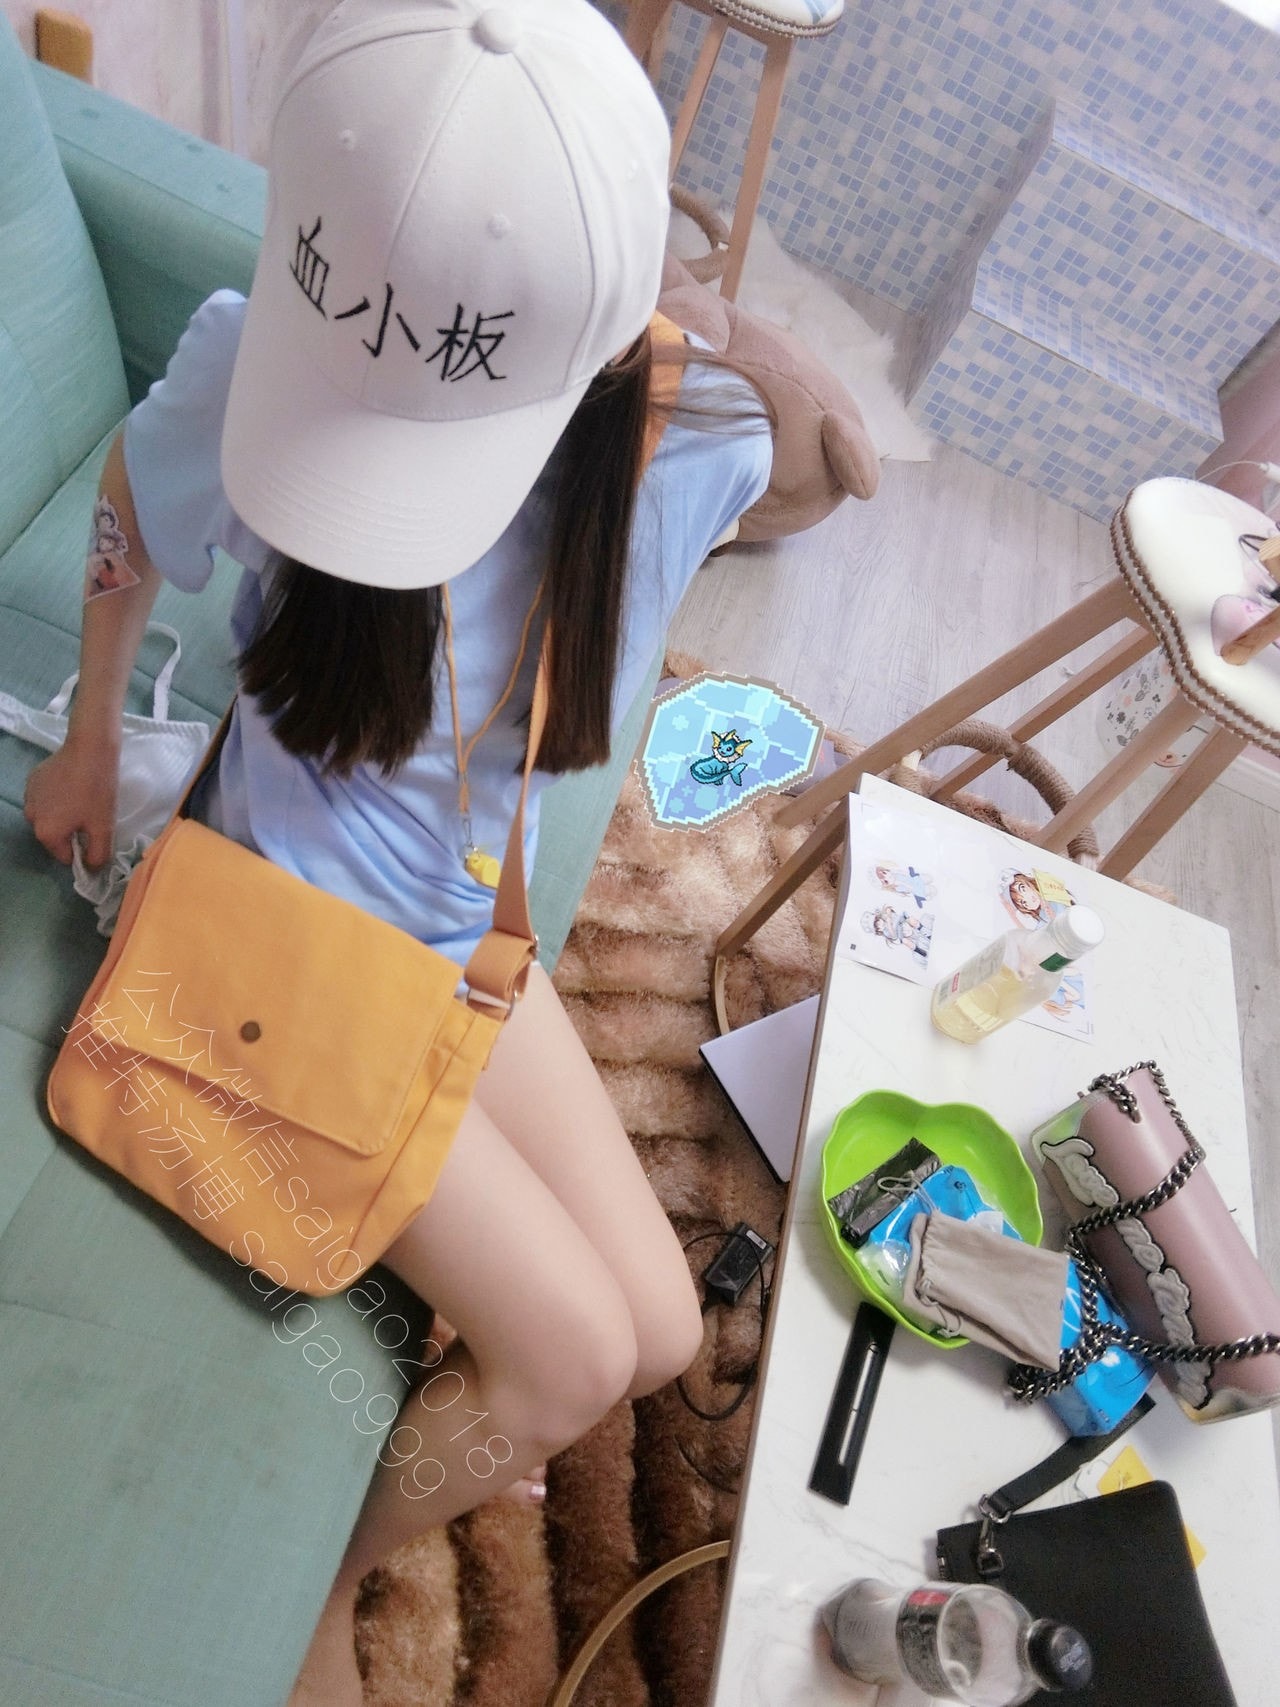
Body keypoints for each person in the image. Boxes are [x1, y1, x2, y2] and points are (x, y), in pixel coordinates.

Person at [22, 1, 772, 1701]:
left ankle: (394, 1478)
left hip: (449, 942)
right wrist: (90, 737)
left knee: (659, 1331)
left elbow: (799, 447)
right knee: (569, 1357)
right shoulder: (254, 353)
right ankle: (330, 1585)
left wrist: (738, 346)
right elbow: (132, 503)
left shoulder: (666, 442)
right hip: (268, 944)